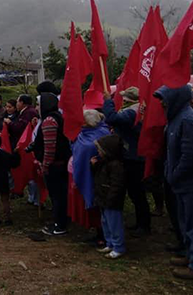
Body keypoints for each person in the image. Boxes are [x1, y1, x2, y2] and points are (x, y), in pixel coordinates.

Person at [154, 85, 193, 280]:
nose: (161, 102)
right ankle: (191, 255)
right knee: (186, 222)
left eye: (164, 98)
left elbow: (191, 155)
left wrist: (175, 174)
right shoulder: (176, 118)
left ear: (176, 98)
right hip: (182, 183)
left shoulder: (186, 119)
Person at [103, 86, 151, 237]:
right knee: (135, 192)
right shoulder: (136, 110)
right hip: (133, 155)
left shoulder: (133, 112)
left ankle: (144, 225)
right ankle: (141, 222)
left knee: (137, 193)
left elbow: (112, 118)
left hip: (134, 157)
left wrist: (108, 102)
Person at [69, 110, 110, 246]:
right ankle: (98, 233)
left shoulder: (101, 135)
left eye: (84, 121)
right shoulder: (84, 134)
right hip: (85, 173)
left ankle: (104, 236)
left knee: (98, 206)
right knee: (93, 207)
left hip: (96, 176)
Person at [33, 93, 71, 236]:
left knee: (57, 196)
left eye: (38, 104)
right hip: (60, 163)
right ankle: (61, 221)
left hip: (55, 165)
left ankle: (60, 225)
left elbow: (50, 147)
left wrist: (45, 165)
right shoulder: (57, 117)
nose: (36, 108)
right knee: (60, 195)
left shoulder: (49, 120)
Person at [91, 134, 128, 260]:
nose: (98, 152)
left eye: (100, 150)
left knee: (114, 224)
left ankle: (118, 247)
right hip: (103, 198)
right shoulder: (103, 163)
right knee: (105, 222)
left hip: (111, 200)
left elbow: (117, 185)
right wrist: (94, 165)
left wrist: (111, 198)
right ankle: (110, 243)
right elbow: (97, 176)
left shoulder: (116, 166)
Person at [10, 94, 39, 204]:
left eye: (18, 102)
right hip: (24, 145)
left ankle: (35, 198)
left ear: (22, 103)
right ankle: (32, 197)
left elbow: (21, 128)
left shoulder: (29, 113)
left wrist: (10, 124)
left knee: (31, 172)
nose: (17, 104)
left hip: (28, 146)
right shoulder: (24, 112)